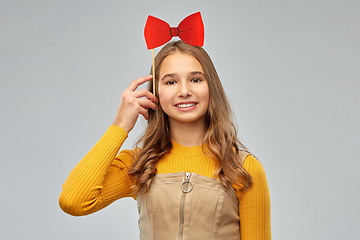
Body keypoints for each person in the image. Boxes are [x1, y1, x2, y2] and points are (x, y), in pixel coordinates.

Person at [59, 40, 271, 240]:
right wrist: (119, 126)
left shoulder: (242, 168)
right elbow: (74, 201)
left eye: (196, 79)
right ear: (155, 93)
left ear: (211, 88)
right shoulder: (139, 164)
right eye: (171, 82)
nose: (185, 91)